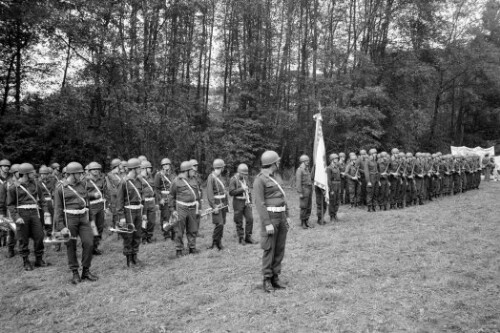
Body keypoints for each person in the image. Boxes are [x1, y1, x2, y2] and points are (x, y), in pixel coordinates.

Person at [53, 162, 98, 284]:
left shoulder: (83, 184)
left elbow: (87, 202)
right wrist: (61, 227)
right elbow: (57, 209)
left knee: (89, 243)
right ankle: (74, 273)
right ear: (72, 174)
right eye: (80, 173)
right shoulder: (60, 188)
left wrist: (91, 219)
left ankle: (86, 271)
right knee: (71, 246)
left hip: (84, 218)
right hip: (69, 219)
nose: (82, 175)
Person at [253, 150, 291, 293]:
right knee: (269, 249)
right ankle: (267, 279)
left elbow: (283, 197)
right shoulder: (260, 180)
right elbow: (260, 203)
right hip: (270, 218)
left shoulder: (276, 177)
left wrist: (287, 215)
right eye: (277, 161)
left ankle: (275, 277)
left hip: (281, 217)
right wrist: (267, 223)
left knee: (280, 248)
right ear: (272, 163)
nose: (279, 163)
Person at [7, 163, 50, 270]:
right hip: (22, 214)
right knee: (23, 238)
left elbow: (42, 200)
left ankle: (39, 259)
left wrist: (45, 211)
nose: (34, 174)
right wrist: (16, 217)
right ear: (26, 174)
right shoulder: (14, 187)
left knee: (39, 236)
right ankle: (26, 261)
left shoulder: (36, 184)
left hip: (34, 213)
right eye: (32, 172)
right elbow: (11, 205)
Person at [168, 161, 201, 257]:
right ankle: (179, 250)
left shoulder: (194, 179)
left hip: (193, 207)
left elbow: (197, 195)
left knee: (192, 229)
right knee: (179, 230)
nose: (194, 171)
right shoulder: (176, 181)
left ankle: (192, 248)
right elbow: (171, 196)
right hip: (181, 208)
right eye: (191, 169)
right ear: (186, 170)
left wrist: (199, 208)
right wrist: (172, 210)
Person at [116, 158, 144, 267]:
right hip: (128, 211)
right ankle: (128, 259)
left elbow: (142, 196)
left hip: (138, 210)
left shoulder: (139, 180)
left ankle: (134, 256)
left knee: (137, 234)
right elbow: (119, 201)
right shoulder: (124, 182)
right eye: (139, 168)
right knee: (129, 235)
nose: (140, 169)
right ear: (134, 169)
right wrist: (121, 216)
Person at [229, 163, 256, 245]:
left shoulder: (245, 179)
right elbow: (231, 192)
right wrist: (241, 189)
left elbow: (248, 191)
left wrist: (250, 201)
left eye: (246, 174)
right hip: (238, 202)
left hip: (246, 202)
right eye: (243, 174)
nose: (245, 175)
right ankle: (241, 238)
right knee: (239, 220)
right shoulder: (233, 179)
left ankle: (248, 237)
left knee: (250, 219)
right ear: (239, 172)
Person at [206, 159, 229, 250]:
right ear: (221, 167)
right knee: (219, 224)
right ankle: (214, 242)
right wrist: (213, 206)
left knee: (222, 223)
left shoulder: (220, 177)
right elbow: (209, 193)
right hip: (216, 204)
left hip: (223, 203)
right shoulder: (211, 177)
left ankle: (218, 242)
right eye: (223, 167)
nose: (224, 168)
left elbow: (224, 191)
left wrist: (227, 204)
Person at [85, 162, 107, 255]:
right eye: (94, 169)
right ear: (89, 171)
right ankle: (89, 248)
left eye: (98, 169)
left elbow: (105, 192)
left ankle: (95, 246)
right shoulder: (85, 181)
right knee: (92, 228)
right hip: (91, 206)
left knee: (100, 227)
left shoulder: (101, 180)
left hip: (100, 206)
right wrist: (92, 195)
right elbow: (81, 194)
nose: (96, 171)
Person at [154, 158, 175, 240]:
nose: (166, 166)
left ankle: (173, 232)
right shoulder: (158, 175)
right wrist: (160, 199)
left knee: (173, 216)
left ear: (170, 165)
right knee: (165, 217)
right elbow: (156, 189)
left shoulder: (173, 174)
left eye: (167, 164)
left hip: (172, 198)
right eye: (164, 165)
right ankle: (166, 234)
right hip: (164, 198)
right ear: (162, 166)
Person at [139, 160, 156, 244]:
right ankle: (143, 238)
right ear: (144, 168)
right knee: (144, 221)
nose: (150, 169)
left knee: (152, 221)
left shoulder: (151, 177)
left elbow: (154, 188)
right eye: (149, 168)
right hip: (144, 201)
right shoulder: (139, 178)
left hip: (152, 201)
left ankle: (149, 236)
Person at [295, 155, 312, 228]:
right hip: (304, 189)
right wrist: (300, 192)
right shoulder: (300, 170)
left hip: (309, 189)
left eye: (308, 161)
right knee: (304, 206)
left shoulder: (307, 169)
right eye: (306, 161)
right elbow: (298, 182)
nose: (308, 162)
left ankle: (306, 221)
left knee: (309, 206)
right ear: (303, 161)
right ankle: (303, 222)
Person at [105, 158, 122, 231]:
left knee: (119, 212)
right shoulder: (110, 175)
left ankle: (119, 226)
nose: (122, 166)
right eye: (120, 164)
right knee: (116, 212)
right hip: (114, 196)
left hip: (119, 195)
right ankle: (116, 227)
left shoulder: (119, 174)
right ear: (117, 166)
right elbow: (116, 184)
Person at [326, 153, 341, 221]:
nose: (337, 159)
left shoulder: (337, 167)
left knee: (337, 200)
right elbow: (328, 179)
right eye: (336, 158)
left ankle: (335, 213)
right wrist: (331, 189)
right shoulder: (329, 168)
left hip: (338, 184)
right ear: (332, 159)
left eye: (337, 158)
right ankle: (331, 215)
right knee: (332, 201)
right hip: (333, 184)